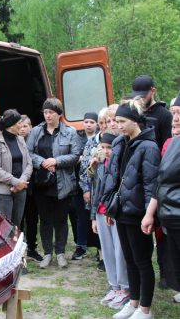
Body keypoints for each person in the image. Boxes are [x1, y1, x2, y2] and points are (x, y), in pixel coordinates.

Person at [102, 98, 160, 319]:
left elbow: (151, 185)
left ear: (135, 121)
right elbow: (112, 177)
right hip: (121, 211)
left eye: (122, 121)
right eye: (115, 121)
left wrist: (149, 214)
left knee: (143, 261)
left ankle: (145, 309)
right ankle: (133, 302)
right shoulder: (120, 143)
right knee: (129, 259)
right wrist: (109, 208)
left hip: (138, 214)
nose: (117, 125)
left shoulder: (149, 147)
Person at [26, 98, 80, 269]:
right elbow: (28, 152)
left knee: (61, 219)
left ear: (59, 114)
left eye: (51, 112)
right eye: (45, 112)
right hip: (42, 182)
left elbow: (76, 155)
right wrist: (43, 162)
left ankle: (61, 253)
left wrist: (56, 161)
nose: (48, 115)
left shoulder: (70, 132)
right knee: (46, 219)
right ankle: (48, 253)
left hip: (62, 182)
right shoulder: (36, 131)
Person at [131, 75, 172, 290]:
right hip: (139, 179)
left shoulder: (165, 116)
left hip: (160, 178)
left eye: (143, 95)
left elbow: (168, 147)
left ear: (153, 91)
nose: (140, 99)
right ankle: (143, 270)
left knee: (162, 229)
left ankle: (167, 273)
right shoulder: (135, 112)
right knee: (143, 227)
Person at [142, 92, 180, 302]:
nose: (175, 118)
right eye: (174, 113)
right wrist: (150, 214)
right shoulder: (173, 143)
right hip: (170, 218)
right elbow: (161, 180)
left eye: (179, 113)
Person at [88, 131, 129, 310]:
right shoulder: (100, 164)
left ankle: (125, 287)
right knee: (108, 251)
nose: (106, 151)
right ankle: (114, 285)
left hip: (114, 213)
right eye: (103, 147)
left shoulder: (119, 165)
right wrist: (93, 217)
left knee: (120, 251)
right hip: (100, 212)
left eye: (109, 148)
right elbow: (95, 191)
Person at [0, 109, 32, 227]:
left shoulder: (21, 140)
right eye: (19, 123)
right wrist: (16, 182)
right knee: (3, 227)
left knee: (16, 226)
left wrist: (21, 182)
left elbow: (29, 163)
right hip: (3, 193)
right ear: (11, 125)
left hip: (20, 190)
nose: (22, 126)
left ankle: (17, 245)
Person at [71, 112, 98, 260]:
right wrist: (78, 158)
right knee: (80, 216)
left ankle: (98, 248)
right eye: (86, 121)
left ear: (97, 124)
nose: (88, 124)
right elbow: (72, 155)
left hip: (95, 183)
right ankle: (81, 246)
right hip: (78, 183)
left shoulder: (101, 138)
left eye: (91, 122)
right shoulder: (77, 137)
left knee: (95, 216)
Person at [19, 115, 43, 262]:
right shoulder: (13, 141)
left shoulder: (36, 141)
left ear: (31, 127)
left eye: (25, 126)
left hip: (34, 186)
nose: (22, 129)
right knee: (19, 220)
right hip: (19, 185)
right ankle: (20, 249)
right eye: (20, 126)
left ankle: (32, 248)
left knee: (33, 218)